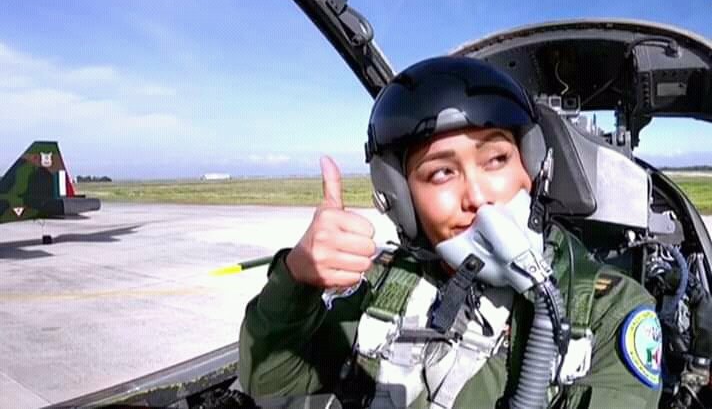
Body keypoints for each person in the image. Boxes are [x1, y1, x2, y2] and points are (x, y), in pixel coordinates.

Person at [238, 56, 662, 408]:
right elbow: (271, 384)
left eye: (496, 159)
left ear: (533, 167)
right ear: (402, 200)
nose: (477, 196)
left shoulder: (608, 313)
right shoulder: (383, 287)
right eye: (441, 172)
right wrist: (295, 280)